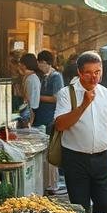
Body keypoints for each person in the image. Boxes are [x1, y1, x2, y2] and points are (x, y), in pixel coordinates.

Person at [53, 51, 107, 213]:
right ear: (79, 72)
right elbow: (60, 124)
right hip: (76, 159)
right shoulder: (66, 93)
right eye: (88, 73)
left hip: (103, 157)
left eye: (97, 72)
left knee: (105, 203)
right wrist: (84, 104)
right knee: (79, 206)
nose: (94, 77)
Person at [34, 50, 65, 195]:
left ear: (47, 63)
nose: (40, 65)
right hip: (41, 117)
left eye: (41, 63)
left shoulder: (55, 77)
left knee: (50, 150)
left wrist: (36, 97)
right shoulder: (42, 76)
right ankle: (49, 181)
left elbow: (56, 98)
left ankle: (53, 183)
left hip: (50, 118)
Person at [14, 53, 41, 129]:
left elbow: (30, 99)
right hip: (28, 111)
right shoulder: (28, 77)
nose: (19, 66)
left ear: (24, 65)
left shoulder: (31, 79)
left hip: (29, 112)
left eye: (21, 64)